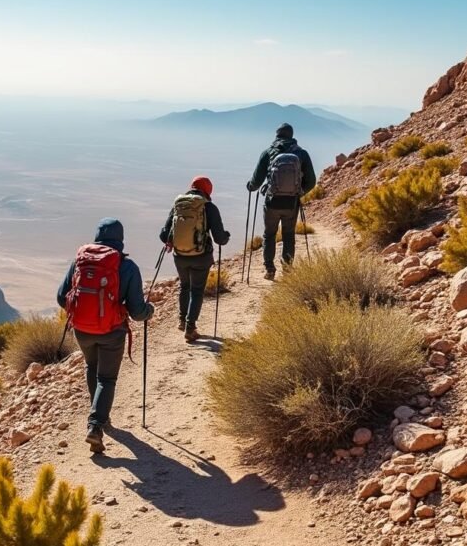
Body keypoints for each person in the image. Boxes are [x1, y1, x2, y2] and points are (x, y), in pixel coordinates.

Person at [57, 218, 154, 453]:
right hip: (112, 331)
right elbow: (137, 312)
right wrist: (149, 310)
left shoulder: (80, 261)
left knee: (92, 367)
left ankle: (99, 415)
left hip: (82, 330)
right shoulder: (127, 266)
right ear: (121, 239)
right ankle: (96, 425)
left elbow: (61, 297)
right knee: (107, 378)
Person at [159, 177, 231, 342]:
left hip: (180, 256)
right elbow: (219, 238)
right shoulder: (209, 207)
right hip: (201, 257)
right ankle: (190, 328)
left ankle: (182, 321)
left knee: (185, 286)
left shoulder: (179, 205)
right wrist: (226, 236)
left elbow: (164, 235)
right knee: (197, 290)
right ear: (208, 191)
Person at [246, 123, 317, 280]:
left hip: (272, 203)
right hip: (291, 203)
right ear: (292, 136)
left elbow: (256, 181)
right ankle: (287, 269)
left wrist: (250, 186)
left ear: (277, 135)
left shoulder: (268, 152)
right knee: (289, 235)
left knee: (269, 234)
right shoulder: (302, 154)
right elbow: (311, 181)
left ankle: (270, 270)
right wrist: (300, 192)